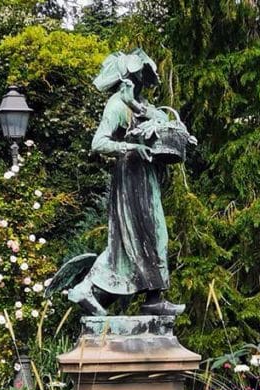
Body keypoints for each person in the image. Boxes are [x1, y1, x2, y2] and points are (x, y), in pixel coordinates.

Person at [59, 49, 185, 316]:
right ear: (130, 77)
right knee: (137, 238)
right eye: (141, 77)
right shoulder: (116, 105)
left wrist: (140, 109)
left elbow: (163, 121)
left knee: (154, 235)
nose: (144, 83)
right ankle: (96, 289)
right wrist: (130, 147)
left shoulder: (138, 105)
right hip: (130, 180)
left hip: (145, 179)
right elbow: (98, 143)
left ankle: (151, 297)